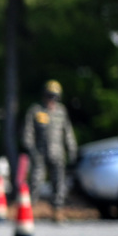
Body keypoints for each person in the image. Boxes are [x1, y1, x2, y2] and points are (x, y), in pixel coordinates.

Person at [20, 80, 78, 222]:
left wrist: (72, 150)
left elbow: (68, 132)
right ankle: (29, 209)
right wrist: (31, 149)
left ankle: (57, 211)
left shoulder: (61, 111)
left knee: (59, 183)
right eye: (49, 96)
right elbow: (27, 132)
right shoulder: (36, 110)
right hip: (39, 152)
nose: (51, 99)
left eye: (55, 96)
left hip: (57, 152)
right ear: (44, 95)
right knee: (35, 181)